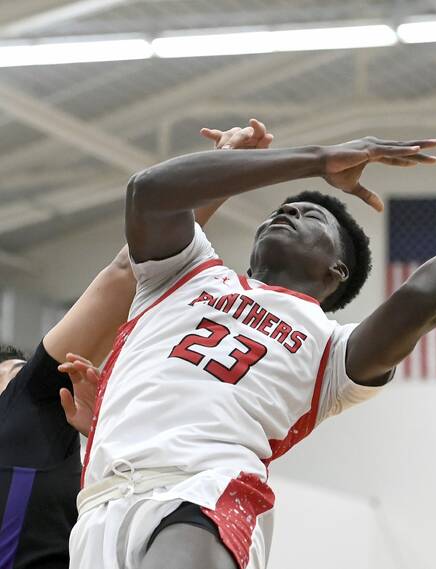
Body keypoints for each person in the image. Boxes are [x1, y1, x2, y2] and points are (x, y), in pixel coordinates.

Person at [67, 131, 436, 569]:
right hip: (98, 504)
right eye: (281, 209)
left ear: (335, 270)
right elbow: (149, 190)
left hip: (206, 493)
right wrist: (318, 159)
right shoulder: (183, 272)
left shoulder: (332, 350)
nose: (287, 212)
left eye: (314, 216)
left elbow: (425, 296)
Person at [0, 121, 273, 569]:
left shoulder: (70, 452)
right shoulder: (27, 404)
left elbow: (133, 268)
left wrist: (223, 165)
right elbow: (130, 270)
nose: (43, 376)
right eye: (16, 372)